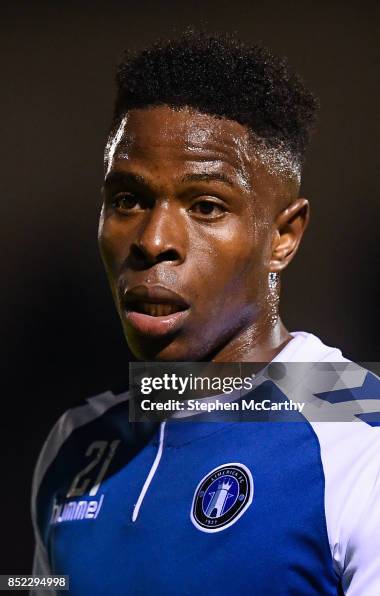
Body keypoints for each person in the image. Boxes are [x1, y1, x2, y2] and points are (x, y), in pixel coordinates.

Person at [31, 32, 380, 595]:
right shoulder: (72, 448)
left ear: (283, 237)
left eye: (206, 206)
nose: (153, 240)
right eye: (128, 199)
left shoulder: (361, 440)